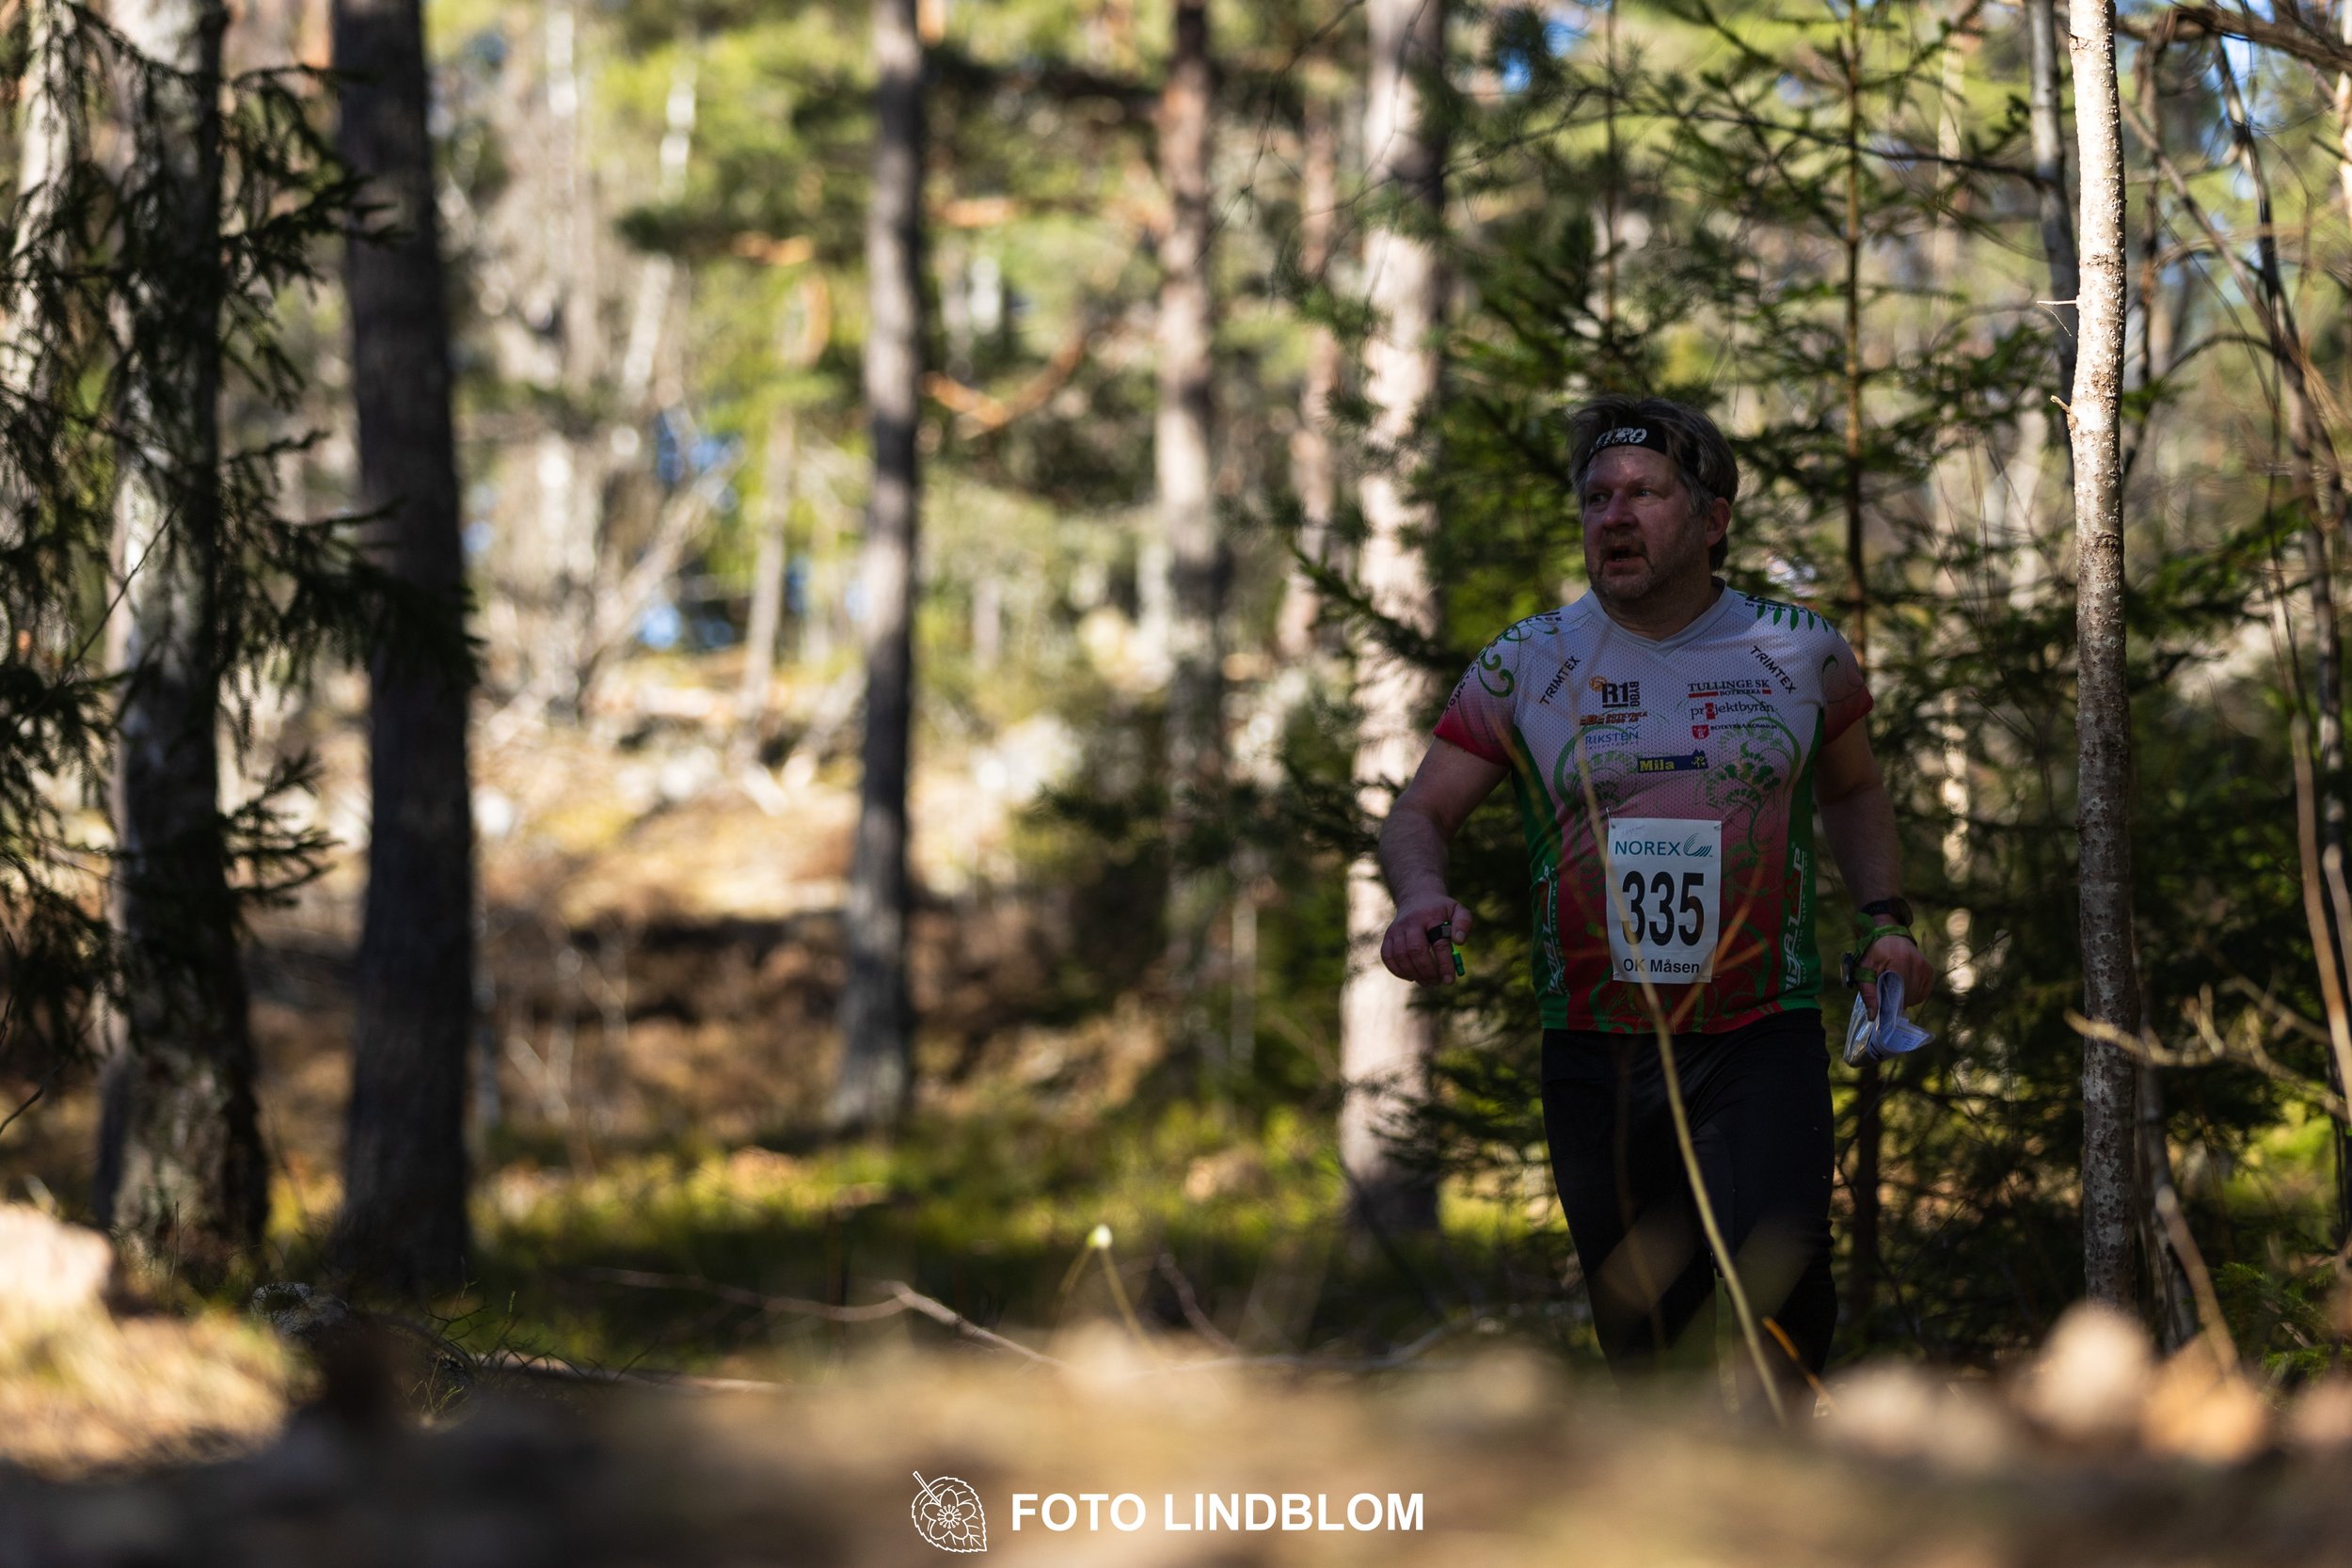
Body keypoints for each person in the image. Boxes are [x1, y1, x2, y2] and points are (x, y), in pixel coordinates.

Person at [1375, 394, 1933, 1388]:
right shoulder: (1525, 660)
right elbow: (1421, 812)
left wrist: (1884, 918)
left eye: (1644, 492)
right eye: (1595, 497)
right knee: (1644, 1340)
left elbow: (1853, 789)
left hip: (1757, 1030)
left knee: (1786, 1297)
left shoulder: (1799, 652)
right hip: (1596, 1046)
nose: (1614, 515)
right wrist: (1421, 897)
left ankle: (1794, 1515)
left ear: (1713, 519)